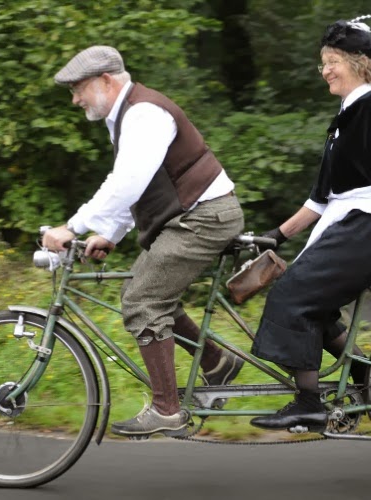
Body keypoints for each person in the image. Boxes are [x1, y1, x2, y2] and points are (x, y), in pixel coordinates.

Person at [42, 45, 245, 438]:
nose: (75, 99)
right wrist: (110, 234)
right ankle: (217, 363)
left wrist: (73, 227)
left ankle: (167, 410)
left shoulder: (144, 114)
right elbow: (137, 184)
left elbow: (127, 182)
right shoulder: (127, 116)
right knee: (147, 292)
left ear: (105, 81)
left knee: (142, 300)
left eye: (78, 89)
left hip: (205, 218)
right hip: (194, 217)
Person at [249, 16, 371, 430]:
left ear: (359, 62)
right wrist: (277, 235)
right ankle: (368, 374)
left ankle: (308, 403)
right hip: (355, 224)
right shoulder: (347, 117)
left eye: (333, 61)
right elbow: (321, 198)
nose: (325, 71)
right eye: (324, 63)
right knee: (314, 308)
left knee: (292, 296)